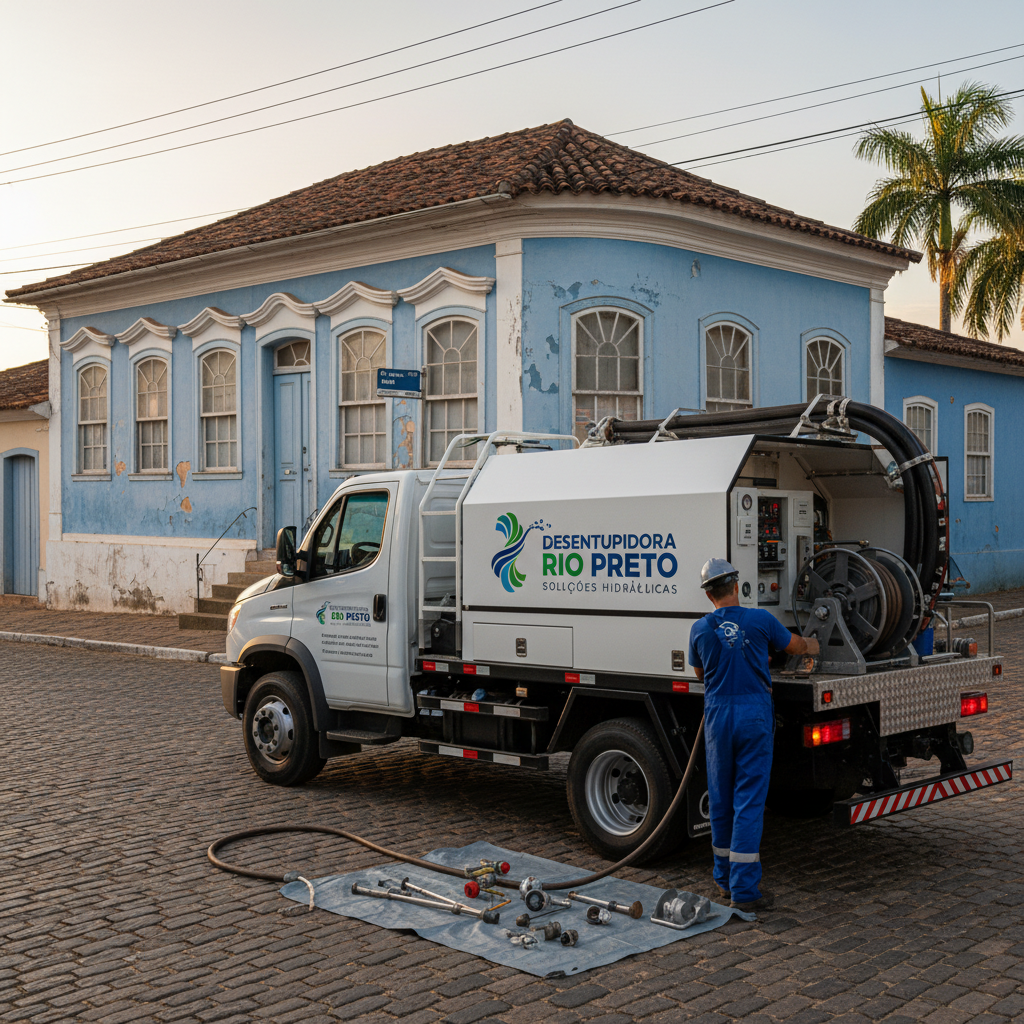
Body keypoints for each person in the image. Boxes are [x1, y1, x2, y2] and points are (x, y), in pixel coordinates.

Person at [687, 558, 819, 912]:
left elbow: (700, 673)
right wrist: (814, 645)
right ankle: (744, 890)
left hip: (718, 716)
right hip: (753, 717)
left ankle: (723, 879)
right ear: (736, 587)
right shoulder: (760, 620)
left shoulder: (699, 629)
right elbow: (793, 646)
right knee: (748, 800)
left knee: (720, 799)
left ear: (708, 595)